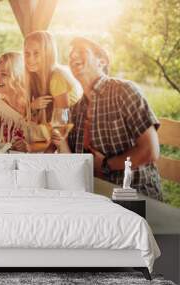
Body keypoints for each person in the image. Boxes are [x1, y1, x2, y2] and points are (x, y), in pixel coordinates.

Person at [52, 37, 162, 200]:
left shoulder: (124, 91)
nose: (73, 56)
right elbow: (76, 164)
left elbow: (150, 151)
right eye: (70, 55)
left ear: (101, 61)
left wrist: (105, 165)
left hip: (135, 194)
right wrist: (61, 142)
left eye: (81, 51)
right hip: (96, 195)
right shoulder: (76, 109)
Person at [24, 31, 81, 125]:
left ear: (48, 54)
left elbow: (62, 121)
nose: (30, 59)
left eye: (36, 53)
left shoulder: (57, 77)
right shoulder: (33, 78)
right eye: (27, 54)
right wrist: (32, 107)